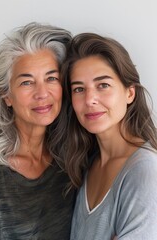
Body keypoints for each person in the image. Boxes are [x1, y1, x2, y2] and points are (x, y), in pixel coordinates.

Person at [0, 22, 76, 239]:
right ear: (6, 95)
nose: (42, 93)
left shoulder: (74, 160)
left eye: (51, 78)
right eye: (27, 82)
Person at [62, 32, 157, 239]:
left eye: (103, 85)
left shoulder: (145, 170)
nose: (90, 99)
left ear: (130, 92)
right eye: (79, 89)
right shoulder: (86, 165)